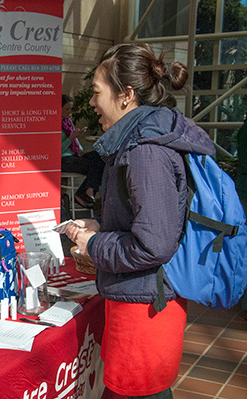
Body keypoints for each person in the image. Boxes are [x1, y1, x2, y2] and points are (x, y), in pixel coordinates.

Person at [64, 43, 215, 399]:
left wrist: (94, 244)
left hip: (146, 309)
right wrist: (102, 227)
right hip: (144, 299)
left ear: (126, 95)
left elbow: (154, 243)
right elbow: (149, 222)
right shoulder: (140, 140)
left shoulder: (145, 151)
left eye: (97, 93)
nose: (92, 103)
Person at [61, 94, 106, 208]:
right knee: (96, 165)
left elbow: (74, 141)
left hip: (73, 155)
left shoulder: (68, 122)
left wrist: (79, 148)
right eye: (67, 109)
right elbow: (57, 150)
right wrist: (71, 137)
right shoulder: (53, 124)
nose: (69, 112)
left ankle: (86, 192)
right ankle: (86, 193)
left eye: (71, 109)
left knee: (100, 157)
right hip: (63, 159)